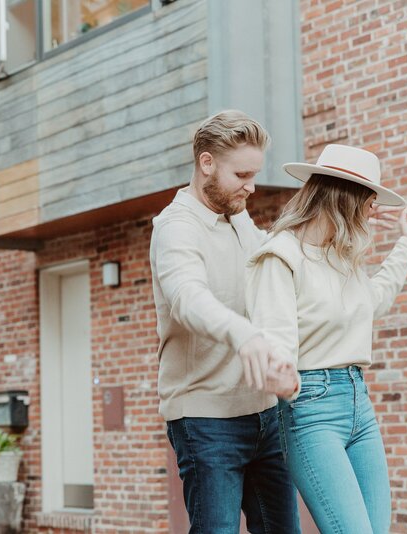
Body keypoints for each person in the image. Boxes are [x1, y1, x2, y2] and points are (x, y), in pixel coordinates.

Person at [245, 144, 407, 534]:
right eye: (368, 204)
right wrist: (286, 383)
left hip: (359, 401)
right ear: (347, 201)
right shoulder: (280, 256)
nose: (372, 215)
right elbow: (275, 343)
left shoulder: (342, 257)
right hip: (312, 407)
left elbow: (371, 305)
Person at [149, 110, 300, 533]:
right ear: (207, 163)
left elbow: (276, 256)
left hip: (265, 414)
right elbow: (186, 298)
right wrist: (245, 334)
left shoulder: (238, 217)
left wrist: (339, 217)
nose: (251, 186)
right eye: (242, 175)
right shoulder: (176, 227)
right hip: (205, 420)